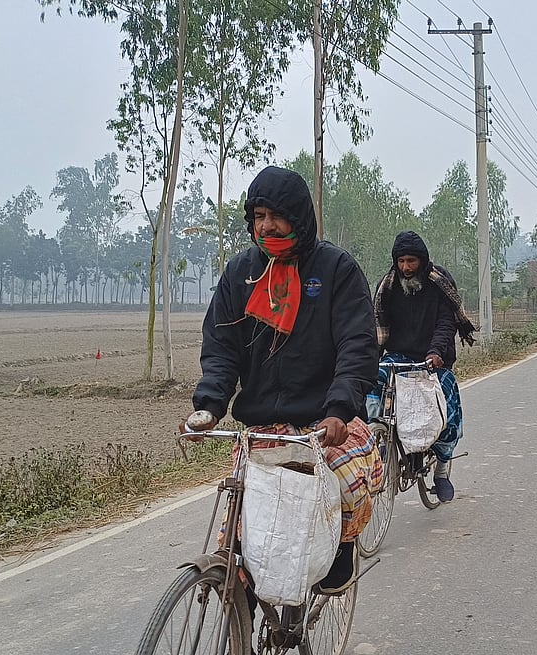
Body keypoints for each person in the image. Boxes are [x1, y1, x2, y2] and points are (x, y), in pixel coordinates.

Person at [184, 165, 381, 597]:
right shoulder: (240, 273)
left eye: (276, 215)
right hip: (260, 428)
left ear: (300, 217)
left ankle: (342, 546)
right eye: (257, 215)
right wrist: (209, 405)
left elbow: (356, 346)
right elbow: (221, 347)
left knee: (345, 487)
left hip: (322, 422)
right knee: (238, 542)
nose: (266, 225)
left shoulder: (336, 270)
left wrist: (338, 410)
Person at [369, 230, 476, 502]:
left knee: (447, 406)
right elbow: (378, 326)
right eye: (401, 261)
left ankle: (441, 469)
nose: (406, 267)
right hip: (399, 355)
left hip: (433, 357)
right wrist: (370, 356)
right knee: (372, 380)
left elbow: (446, 322)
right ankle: (377, 437)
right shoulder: (387, 286)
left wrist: (436, 352)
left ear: (422, 260)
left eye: (411, 261)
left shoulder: (439, 283)